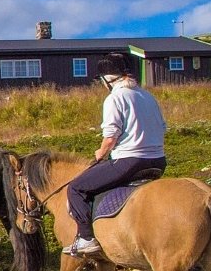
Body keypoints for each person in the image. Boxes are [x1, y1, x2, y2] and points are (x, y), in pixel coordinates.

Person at [63, 53, 167, 256]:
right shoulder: (148, 96)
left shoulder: (115, 98)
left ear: (107, 79)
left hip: (130, 161)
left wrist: (100, 154)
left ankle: (86, 238)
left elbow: (111, 137)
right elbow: (162, 128)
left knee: (76, 188)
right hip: (158, 161)